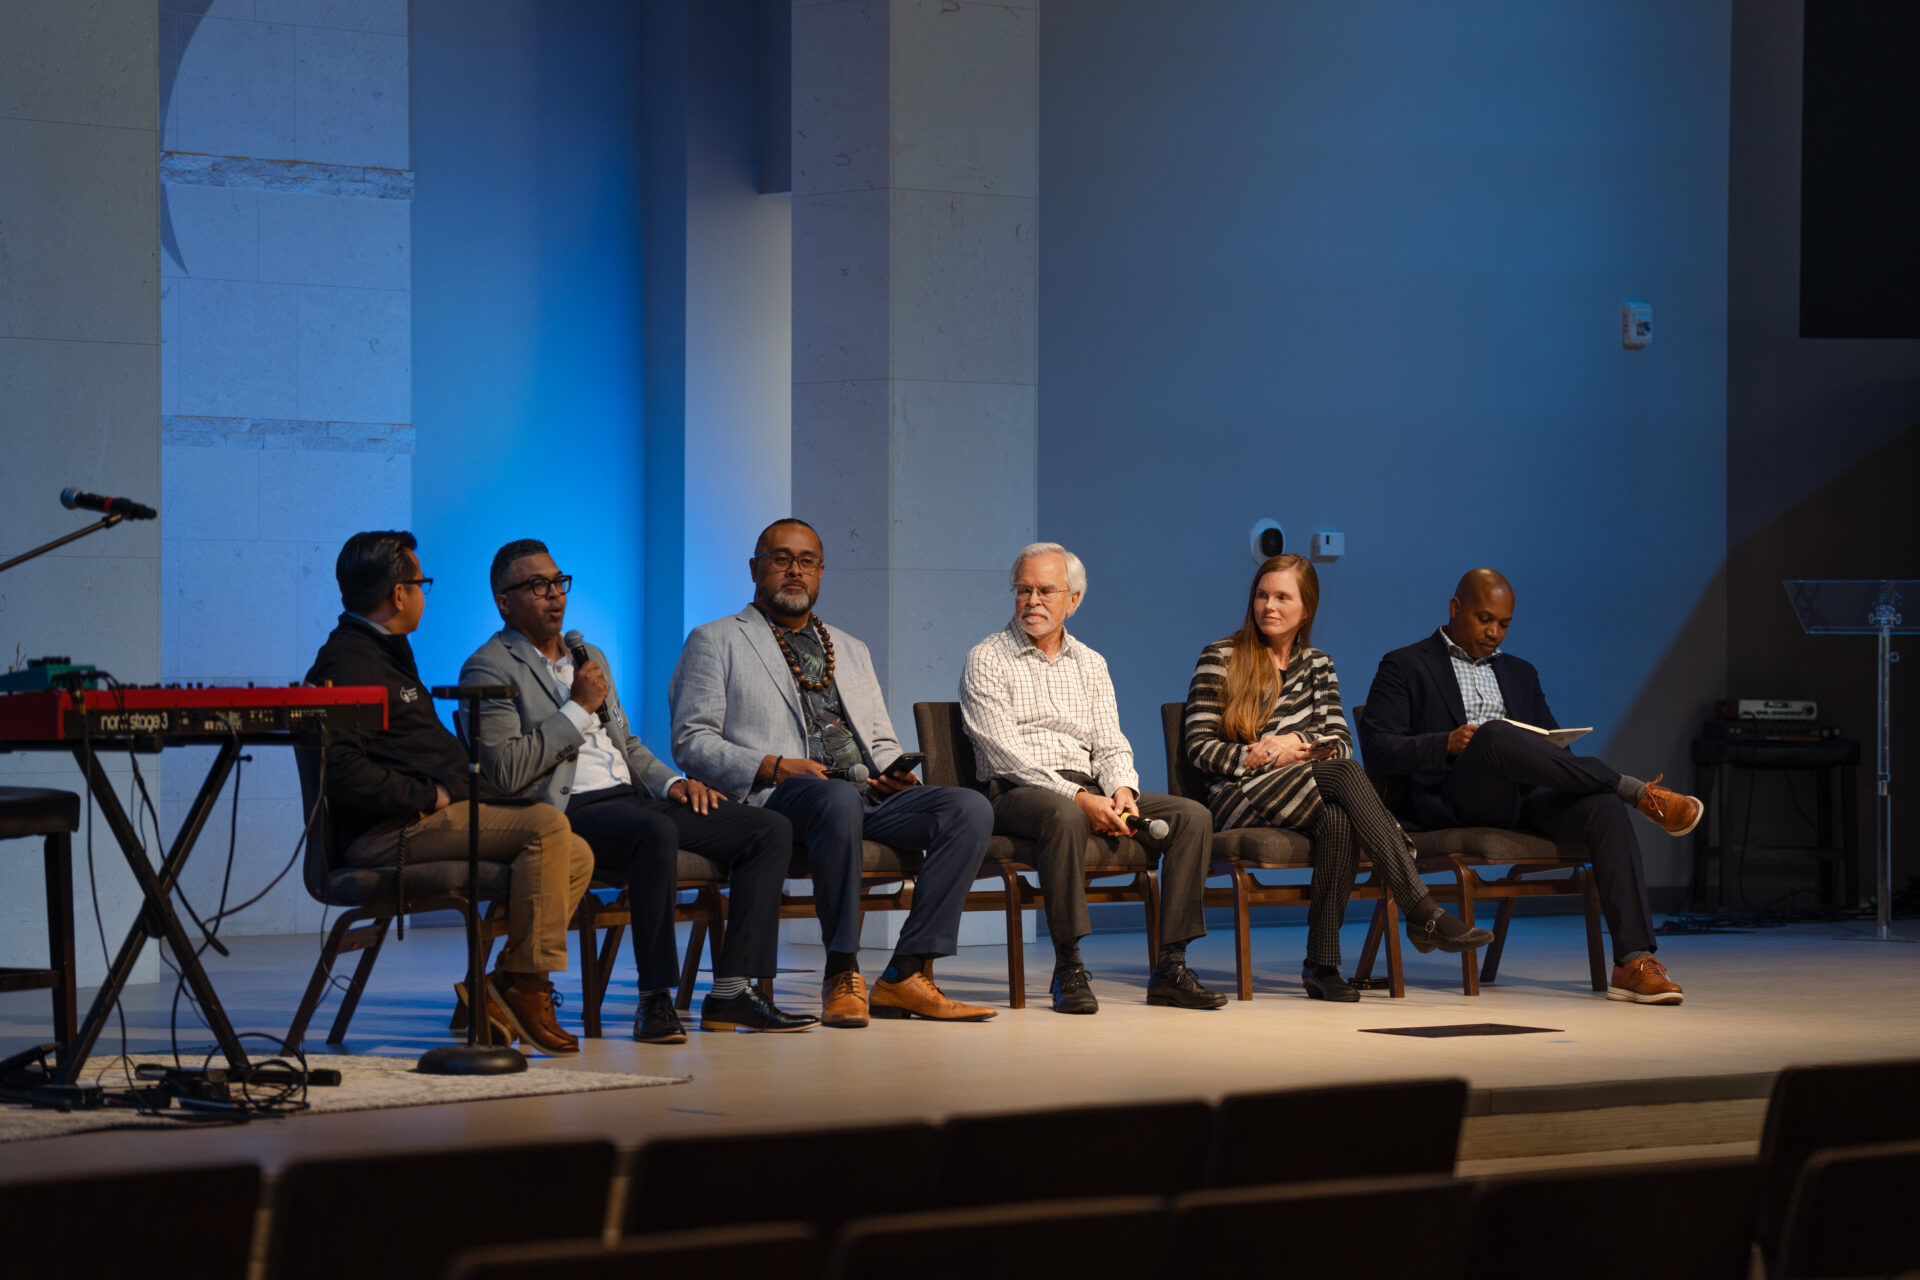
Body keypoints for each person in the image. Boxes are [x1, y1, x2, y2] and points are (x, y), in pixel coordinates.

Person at [461, 539, 816, 1043]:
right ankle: (655, 998)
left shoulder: (589, 656)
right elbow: (505, 770)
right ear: (504, 601)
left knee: (768, 829)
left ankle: (732, 990)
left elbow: (625, 743)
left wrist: (674, 783)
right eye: (537, 586)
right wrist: (577, 708)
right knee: (652, 832)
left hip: (631, 800)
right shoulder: (489, 666)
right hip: (564, 811)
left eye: (558, 582)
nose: (555, 595)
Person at [669, 518, 997, 1028]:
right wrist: (773, 766)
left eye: (807, 561)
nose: (794, 571)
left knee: (968, 807)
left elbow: (880, 740)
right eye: (781, 559)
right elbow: (692, 740)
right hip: (780, 800)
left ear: (821, 571)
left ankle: (906, 972)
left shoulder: (850, 648)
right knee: (836, 799)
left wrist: (893, 772)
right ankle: (842, 969)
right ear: (755, 568)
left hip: (865, 796)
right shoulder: (715, 640)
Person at [303, 531, 594, 1054]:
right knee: (548, 825)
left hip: (428, 819)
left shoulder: (386, 650)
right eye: (421, 584)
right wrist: (426, 796)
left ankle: (508, 983)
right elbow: (342, 770)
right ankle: (528, 987)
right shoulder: (348, 664)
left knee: (576, 852)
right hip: (390, 834)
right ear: (398, 594)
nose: (423, 594)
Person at [1359, 568, 1702, 1005]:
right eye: (1485, 619)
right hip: (1454, 800)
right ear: (1455, 608)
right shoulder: (1405, 664)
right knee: (1494, 735)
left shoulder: (1521, 672)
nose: (1494, 633)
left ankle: (1632, 961)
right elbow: (1378, 747)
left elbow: (1556, 754)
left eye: (1504, 624)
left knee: (1603, 808)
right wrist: (1445, 743)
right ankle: (1634, 790)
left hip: (1526, 799)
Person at [1184, 554, 1492, 1001]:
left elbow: (1342, 741)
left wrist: (1295, 741)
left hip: (1304, 788)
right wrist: (1262, 757)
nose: (1268, 606)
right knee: (1344, 777)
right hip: (1239, 793)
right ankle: (1419, 906)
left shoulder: (1318, 664)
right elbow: (1198, 747)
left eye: (1282, 597)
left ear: (1306, 608)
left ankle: (1322, 964)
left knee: (1340, 819)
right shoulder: (1221, 656)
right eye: (1262, 595)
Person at [962, 542, 1227, 1014]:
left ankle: (1171, 966)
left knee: (1191, 817)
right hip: (1016, 793)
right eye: (1023, 590)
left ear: (1074, 599)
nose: (1032, 601)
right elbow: (1005, 755)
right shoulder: (987, 658)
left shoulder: (1090, 663)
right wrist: (1080, 797)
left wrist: (1122, 790)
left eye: (1046, 591)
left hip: (1089, 788)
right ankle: (1068, 967)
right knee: (1064, 815)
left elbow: (1110, 742)